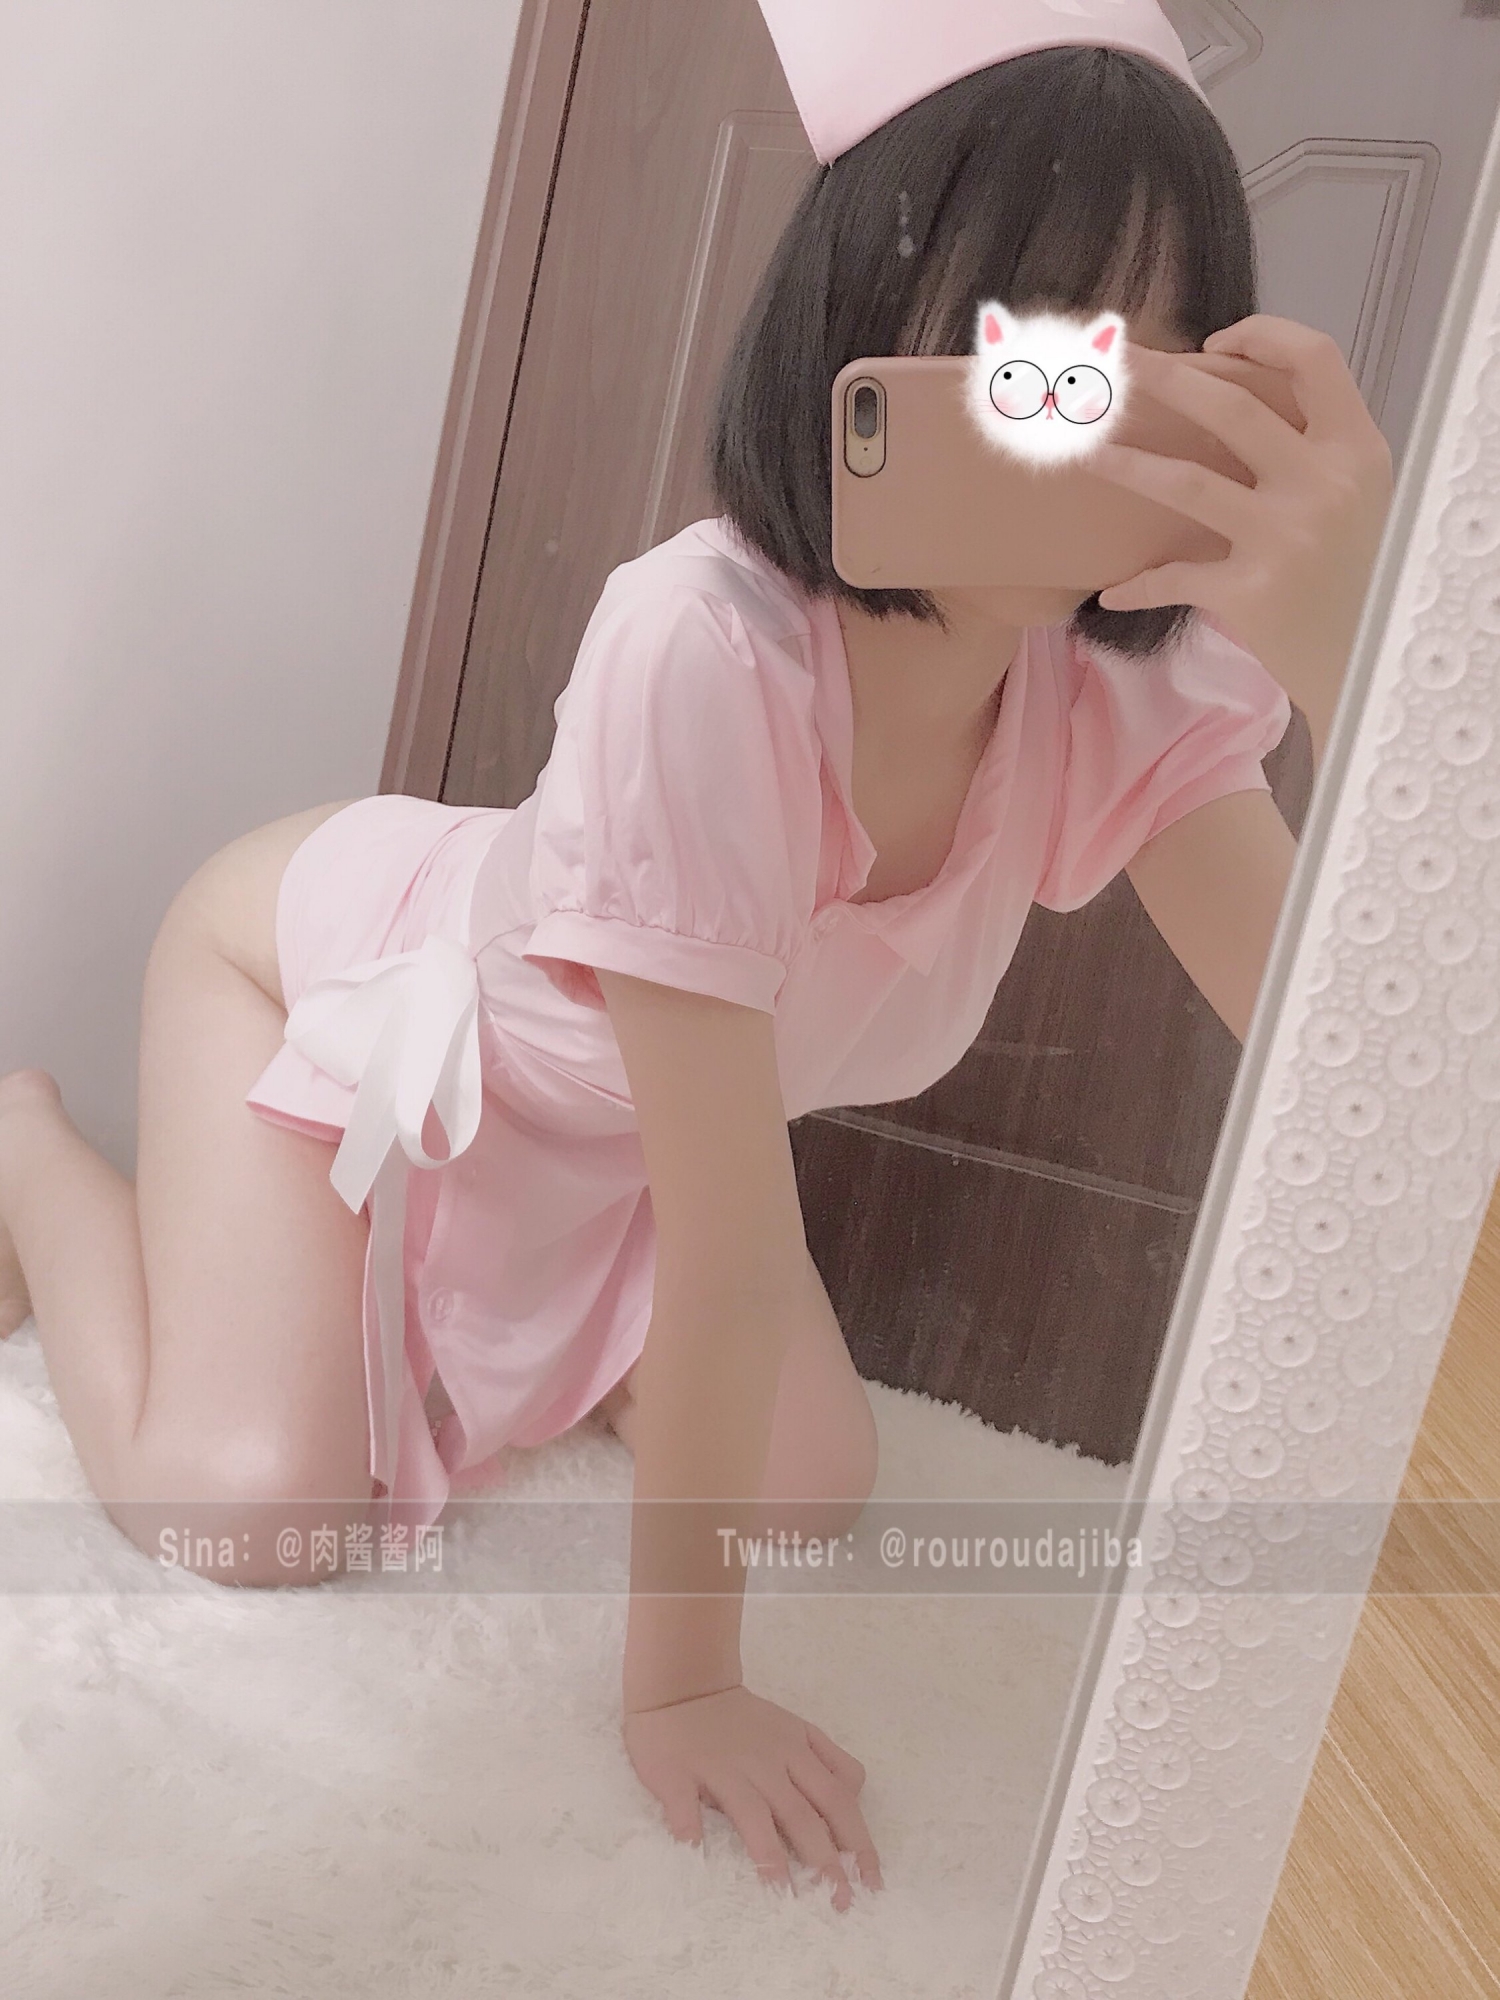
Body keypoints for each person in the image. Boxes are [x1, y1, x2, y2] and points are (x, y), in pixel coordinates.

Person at [0, 21, 1392, 1915]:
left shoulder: (1109, 683)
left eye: (1168, 364)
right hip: (343, 995)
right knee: (248, 1511)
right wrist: (684, 1687)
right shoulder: (703, 645)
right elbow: (735, 1257)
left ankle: (515, 1334)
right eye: (1045, 352)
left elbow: (1352, 1052)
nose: (1101, 420)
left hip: (630, 1135)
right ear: (871, 330)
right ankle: (30, 1145)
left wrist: (1354, 644)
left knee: (808, 1479)